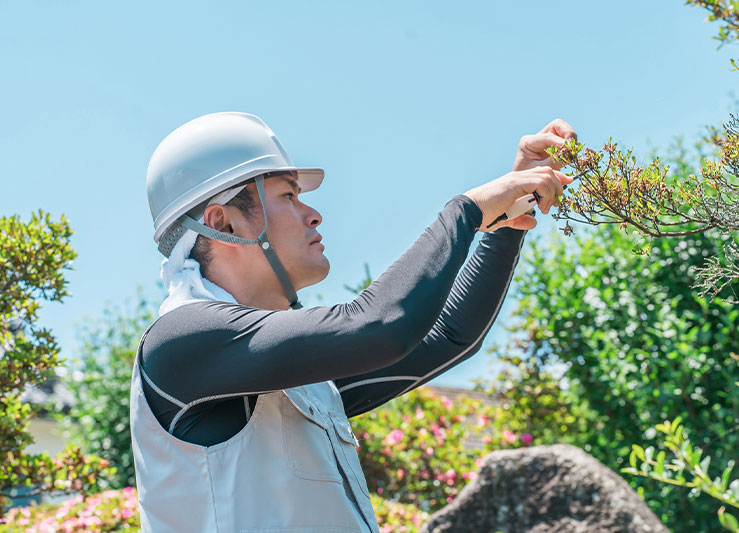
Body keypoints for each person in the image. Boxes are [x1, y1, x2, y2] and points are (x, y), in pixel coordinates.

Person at [131, 111, 576, 532]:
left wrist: (509, 219)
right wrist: (467, 210)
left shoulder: (282, 371)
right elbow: (380, 327)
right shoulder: (182, 339)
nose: (314, 214)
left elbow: (448, 337)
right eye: (288, 195)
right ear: (222, 221)